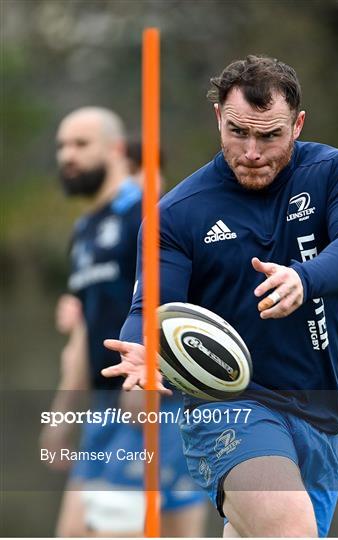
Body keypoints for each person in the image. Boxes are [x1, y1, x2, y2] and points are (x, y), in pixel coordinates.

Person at [102, 55, 338, 537]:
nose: (252, 151)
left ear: (297, 125)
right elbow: (149, 308)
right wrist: (142, 351)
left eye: (270, 135)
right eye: (238, 132)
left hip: (323, 413)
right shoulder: (177, 216)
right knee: (289, 532)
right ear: (218, 117)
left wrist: (305, 278)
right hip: (230, 407)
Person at [41, 107, 207, 536]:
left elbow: (187, 304)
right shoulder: (83, 232)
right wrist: (61, 416)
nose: (67, 156)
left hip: (158, 407)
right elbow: (84, 330)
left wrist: (148, 374)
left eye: (80, 145)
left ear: (116, 150)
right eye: (61, 146)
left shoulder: (149, 214)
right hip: (104, 411)